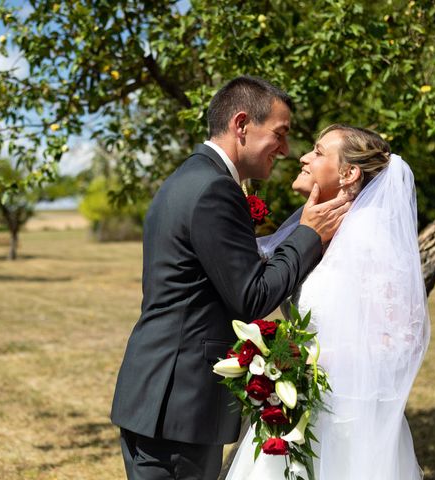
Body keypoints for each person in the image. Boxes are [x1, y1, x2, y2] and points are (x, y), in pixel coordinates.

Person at [110, 76, 352, 480]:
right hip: (177, 405)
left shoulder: (190, 177)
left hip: (160, 396)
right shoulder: (214, 190)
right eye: (280, 133)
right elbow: (252, 297)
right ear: (242, 125)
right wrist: (308, 233)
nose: (287, 149)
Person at [225, 124, 430, 480]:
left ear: (349, 173)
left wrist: (306, 365)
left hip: (347, 421)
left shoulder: (369, 236)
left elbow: (401, 340)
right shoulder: (324, 230)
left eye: (318, 152)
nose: (303, 157)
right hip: (300, 408)